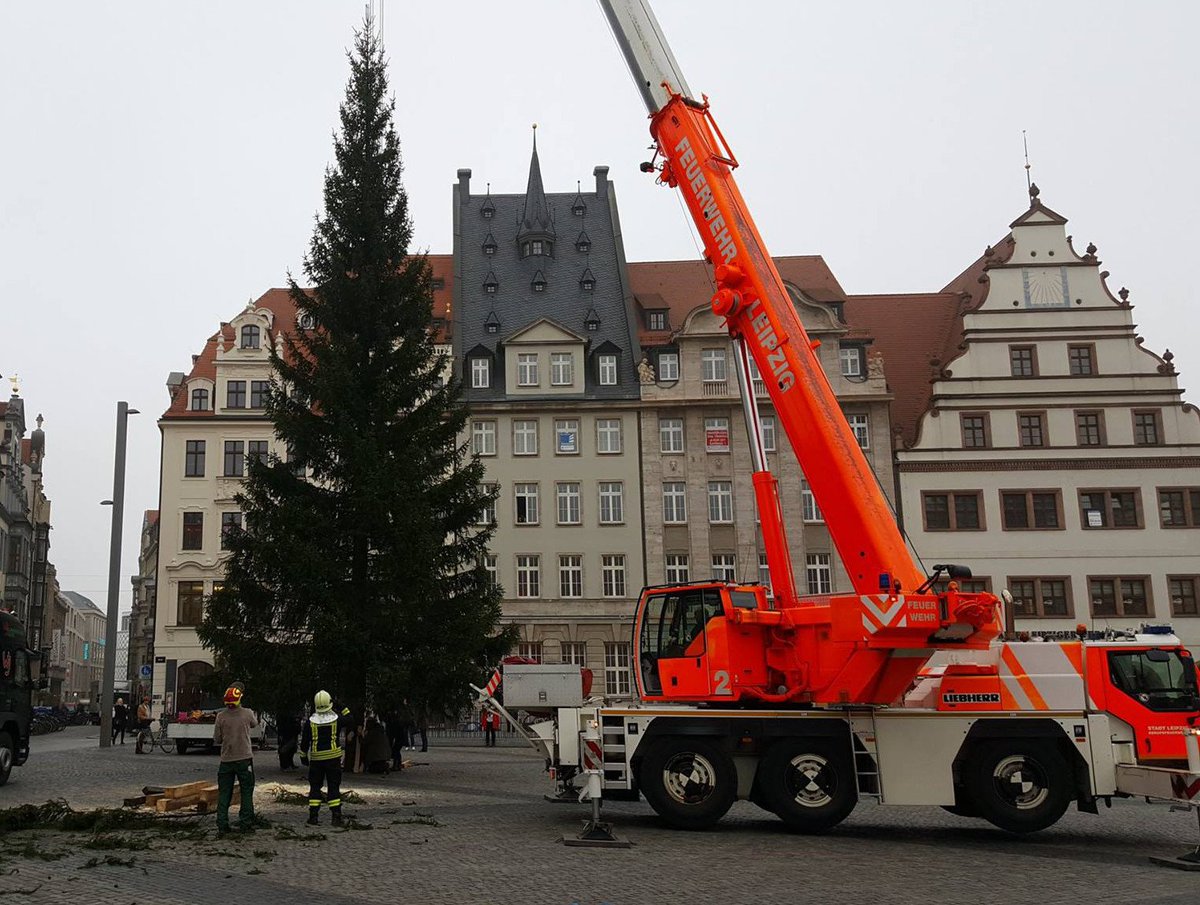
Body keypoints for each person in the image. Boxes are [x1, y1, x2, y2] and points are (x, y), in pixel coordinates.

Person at [213, 684, 259, 835]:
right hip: (244, 759)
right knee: (246, 791)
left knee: (224, 792)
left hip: (226, 760)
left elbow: (217, 739)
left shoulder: (220, 716)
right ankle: (246, 823)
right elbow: (254, 723)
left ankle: (222, 824)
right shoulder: (247, 713)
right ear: (240, 699)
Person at [300, 690, 351, 826]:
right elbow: (350, 719)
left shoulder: (310, 722)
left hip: (316, 760)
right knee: (333, 786)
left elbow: (305, 742)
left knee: (315, 787)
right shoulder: (337, 720)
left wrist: (303, 756)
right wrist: (341, 706)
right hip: (333, 758)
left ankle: (313, 816)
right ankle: (336, 816)